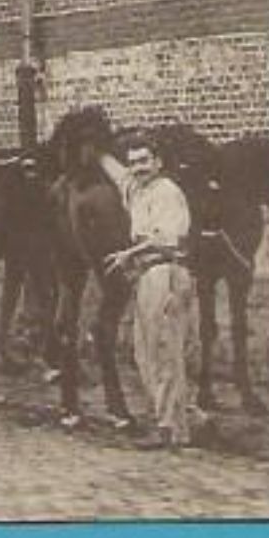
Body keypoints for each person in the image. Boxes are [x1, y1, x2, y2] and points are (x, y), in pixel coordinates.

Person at [99, 134, 196, 449]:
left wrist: (127, 254)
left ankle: (171, 429)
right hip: (147, 276)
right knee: (146, 352)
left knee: (163, 352)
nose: (138, 168)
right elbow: (119, 176)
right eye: (133, 162)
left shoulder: (167, 192)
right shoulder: (137, 190)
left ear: (158, 162)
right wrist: (95, 145)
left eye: (144, 161)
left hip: (165, 272)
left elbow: (168, 238)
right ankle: (186, 419)